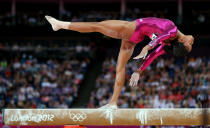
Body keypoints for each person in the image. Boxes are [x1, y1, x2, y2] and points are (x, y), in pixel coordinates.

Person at [45, 16, 194, 109]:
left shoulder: (173, 31)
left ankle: (60, 25)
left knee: (96, 26)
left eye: (189, 44)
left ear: (180, 41)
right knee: (120, 67)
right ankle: (113, 103)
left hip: (132, 29)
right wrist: (138, 71)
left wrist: (146, 48)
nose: (191, 42)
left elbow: (156, 47)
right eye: (190, 45)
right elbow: (155, 50)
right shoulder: (168, 41)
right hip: (135, 37)